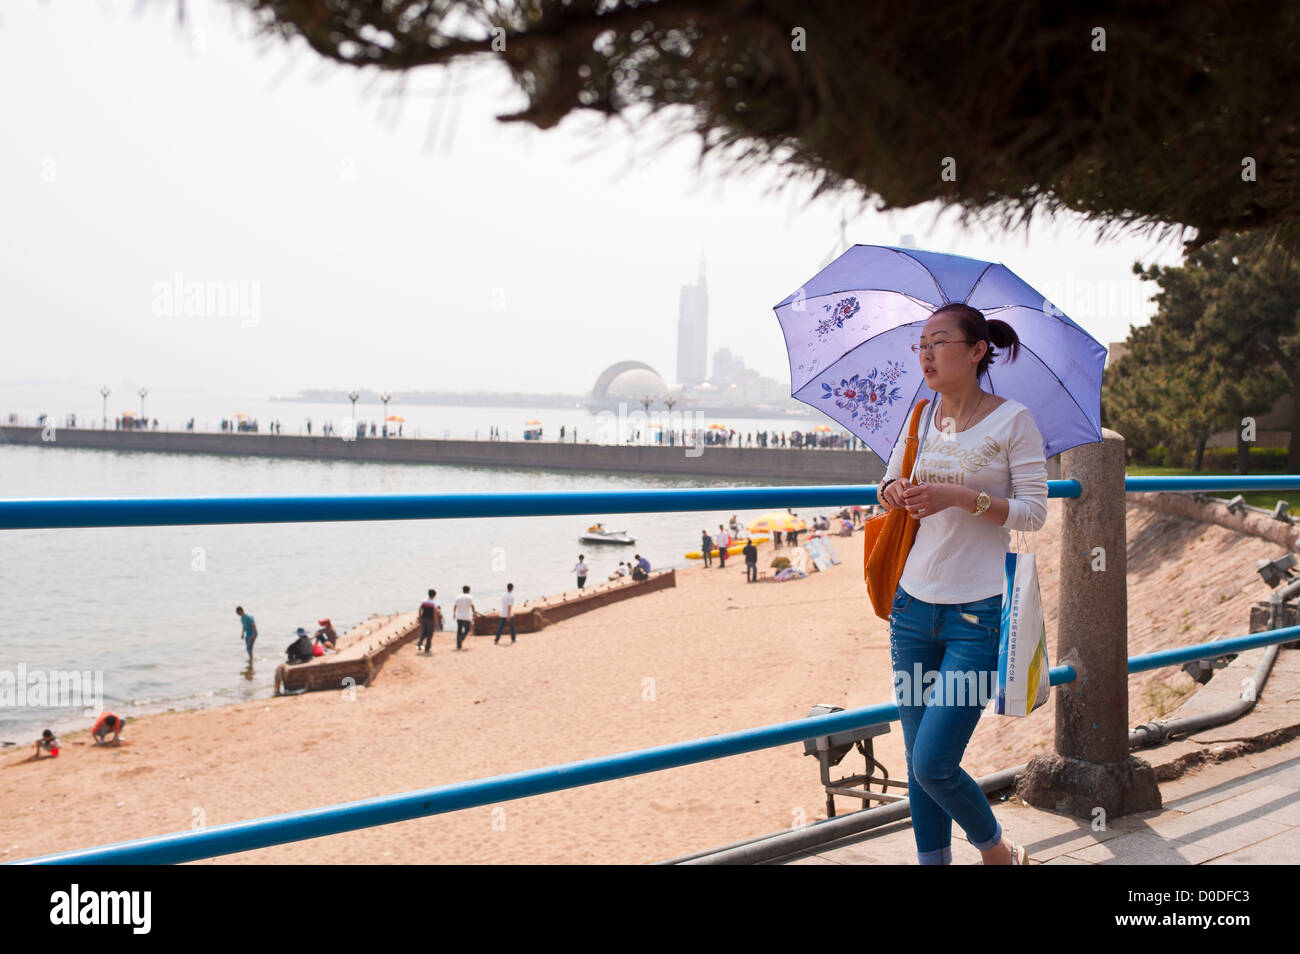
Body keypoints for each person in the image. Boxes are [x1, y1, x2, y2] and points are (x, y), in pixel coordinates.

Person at [878, 301, 1046, 866]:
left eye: (939, 342)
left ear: (976, 351)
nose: (925, 354)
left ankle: (996, 849)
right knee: (914, 758)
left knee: (933, 763)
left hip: (977, 614)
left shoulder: (1013, 420)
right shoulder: (921, 416)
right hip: (912, 606)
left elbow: (1033, 513)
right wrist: (895, 492)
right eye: (920, 344)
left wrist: (961, 497)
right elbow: (886, 482)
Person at [453, 585, 477, 651]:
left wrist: (454, 614)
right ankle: (461, 639)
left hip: (459, 616)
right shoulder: (469, 597)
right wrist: (474, 614)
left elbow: (455, 606)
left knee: (459, 631)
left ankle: (458, 645)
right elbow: (472, 606)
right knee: (467, 629)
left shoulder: (458, 597)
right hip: (466, 616)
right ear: (469, 590)